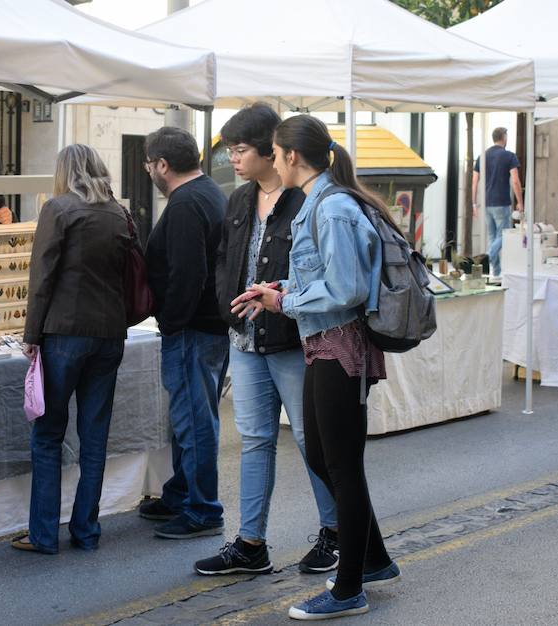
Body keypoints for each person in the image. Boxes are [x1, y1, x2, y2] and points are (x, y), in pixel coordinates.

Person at [232, 115, 400, 620]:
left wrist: (285, 302)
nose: (275, 162)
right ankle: (373, 561)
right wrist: (280, 292)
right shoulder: (323, 203)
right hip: (322, 343)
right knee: (328, 460)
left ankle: (348, 589)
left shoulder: (332, 208)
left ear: (292, 157)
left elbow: (346, 289)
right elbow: (330, 277)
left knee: (340, 466)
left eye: (278, 154)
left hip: (339, 345)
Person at [194, 103, 339, 577]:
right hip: (245, 339)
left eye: (240, 151)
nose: (233, 160)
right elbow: (222, 257)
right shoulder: (237, 200)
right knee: (254, 440)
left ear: (269, 151)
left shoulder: (306, 197)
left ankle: (335, 534)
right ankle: (251, 543)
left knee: (309, 439)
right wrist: (226, 305)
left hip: (293, 338)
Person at [12, 144, 132, 554]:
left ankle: (44, 534)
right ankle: (86, 530)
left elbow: (41, 276)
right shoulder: (119, 213)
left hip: (64, 333)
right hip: (110, 334)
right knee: (94, 438)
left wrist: (31, 334)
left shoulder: (59, 209)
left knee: (47, 434)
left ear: (65, 172)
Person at [138, 127, 230, 539]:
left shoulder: (186, 203)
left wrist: (171, 321)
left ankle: (203, 510)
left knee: (194, 421)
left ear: (162, 164)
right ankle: (181, 493)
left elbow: (189, 274)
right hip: (207, 326)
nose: (148, 172)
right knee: (189, 419)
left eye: (148, 164)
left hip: (194, 329)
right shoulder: (209, 191)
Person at [472, 127, 523, 277]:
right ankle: (488, 256)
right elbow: (515, 180)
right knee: (504, 235)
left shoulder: (482, 156)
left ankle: (496, 273)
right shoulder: (509, 156)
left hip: (487, 202)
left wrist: (474, 203)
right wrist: (520, 202)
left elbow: (474, 181)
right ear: (504, 137)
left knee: (493, 237)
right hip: (502, 202)